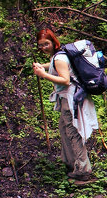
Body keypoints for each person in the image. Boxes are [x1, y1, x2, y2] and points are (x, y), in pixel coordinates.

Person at [33, 28, 97, 185]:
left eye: (46, 44)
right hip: (68, 98)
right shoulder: (59, 55)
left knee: (73, 132)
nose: (43, 48)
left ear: (54, 41)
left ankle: (83, 171)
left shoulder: (59, 58)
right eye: (40, 45)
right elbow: (56, 64)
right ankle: (70, 162)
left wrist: (44, 75)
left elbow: (65, 80)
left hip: (70, 100)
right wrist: (42, 66)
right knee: (64, 128)